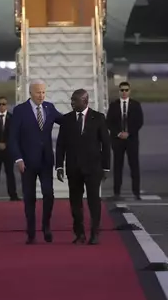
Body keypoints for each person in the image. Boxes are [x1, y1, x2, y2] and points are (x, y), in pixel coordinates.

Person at [9, 79, 63, 244]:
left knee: (49, 194)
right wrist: (18, 158)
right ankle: (31, 231)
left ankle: (46, 226)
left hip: (46, 161)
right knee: (29, 197)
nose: (41, 95)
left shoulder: (50, 108)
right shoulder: (20, 111)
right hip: (27, 163)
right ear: (31, 93)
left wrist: (84, 116)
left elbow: (66, 122)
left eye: (43, 92)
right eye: (38, 92)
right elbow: (12, 138)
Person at [55, 89, 111, 245]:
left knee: (94, 201)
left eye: (75, 100)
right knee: (75, 203)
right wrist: (59, 166)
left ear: (85, 101)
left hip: (93, 168)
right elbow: (60, 145)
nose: (72, 103)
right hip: (73, 168)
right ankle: (79, 233)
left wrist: (106, 167)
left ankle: (95, 233)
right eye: (71, 100)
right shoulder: (66, 120)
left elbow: (106, 144)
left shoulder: (98, 118)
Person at [106, 81, 144, 200]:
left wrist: (129, 133)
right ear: (119, 91)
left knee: (134, 166)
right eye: (122, 90)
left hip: (131, 139)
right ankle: (117, 193)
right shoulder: (114, 105)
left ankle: (136, 192)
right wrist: (118, 133)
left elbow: (139, 121)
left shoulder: (136, 105)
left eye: (126, 90)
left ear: (129, 91)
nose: (124, 92)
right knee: (118, 166)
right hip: (118, 140)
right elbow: (109, 122)